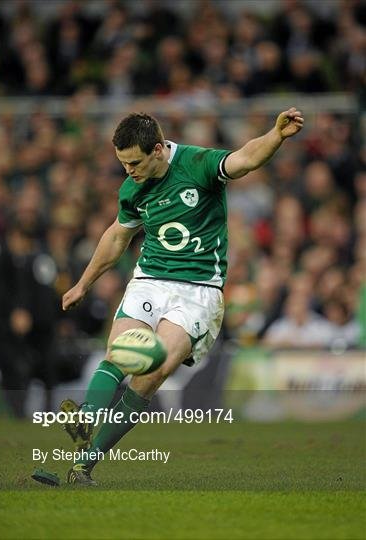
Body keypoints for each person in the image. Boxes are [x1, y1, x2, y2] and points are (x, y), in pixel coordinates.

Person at [61, 108, 304, 485]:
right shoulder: (132, 188)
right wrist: (83, 284)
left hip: (198, 290)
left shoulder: (198, 163)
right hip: (150, 279)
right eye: (123, 164)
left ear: (158, 149)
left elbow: (246, 158)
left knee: (152, 373)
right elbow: (116, 238)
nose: (130, 171)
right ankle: (82, 427)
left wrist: (275, 136)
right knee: (120, 353)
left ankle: (85, 464)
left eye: (135, 162)